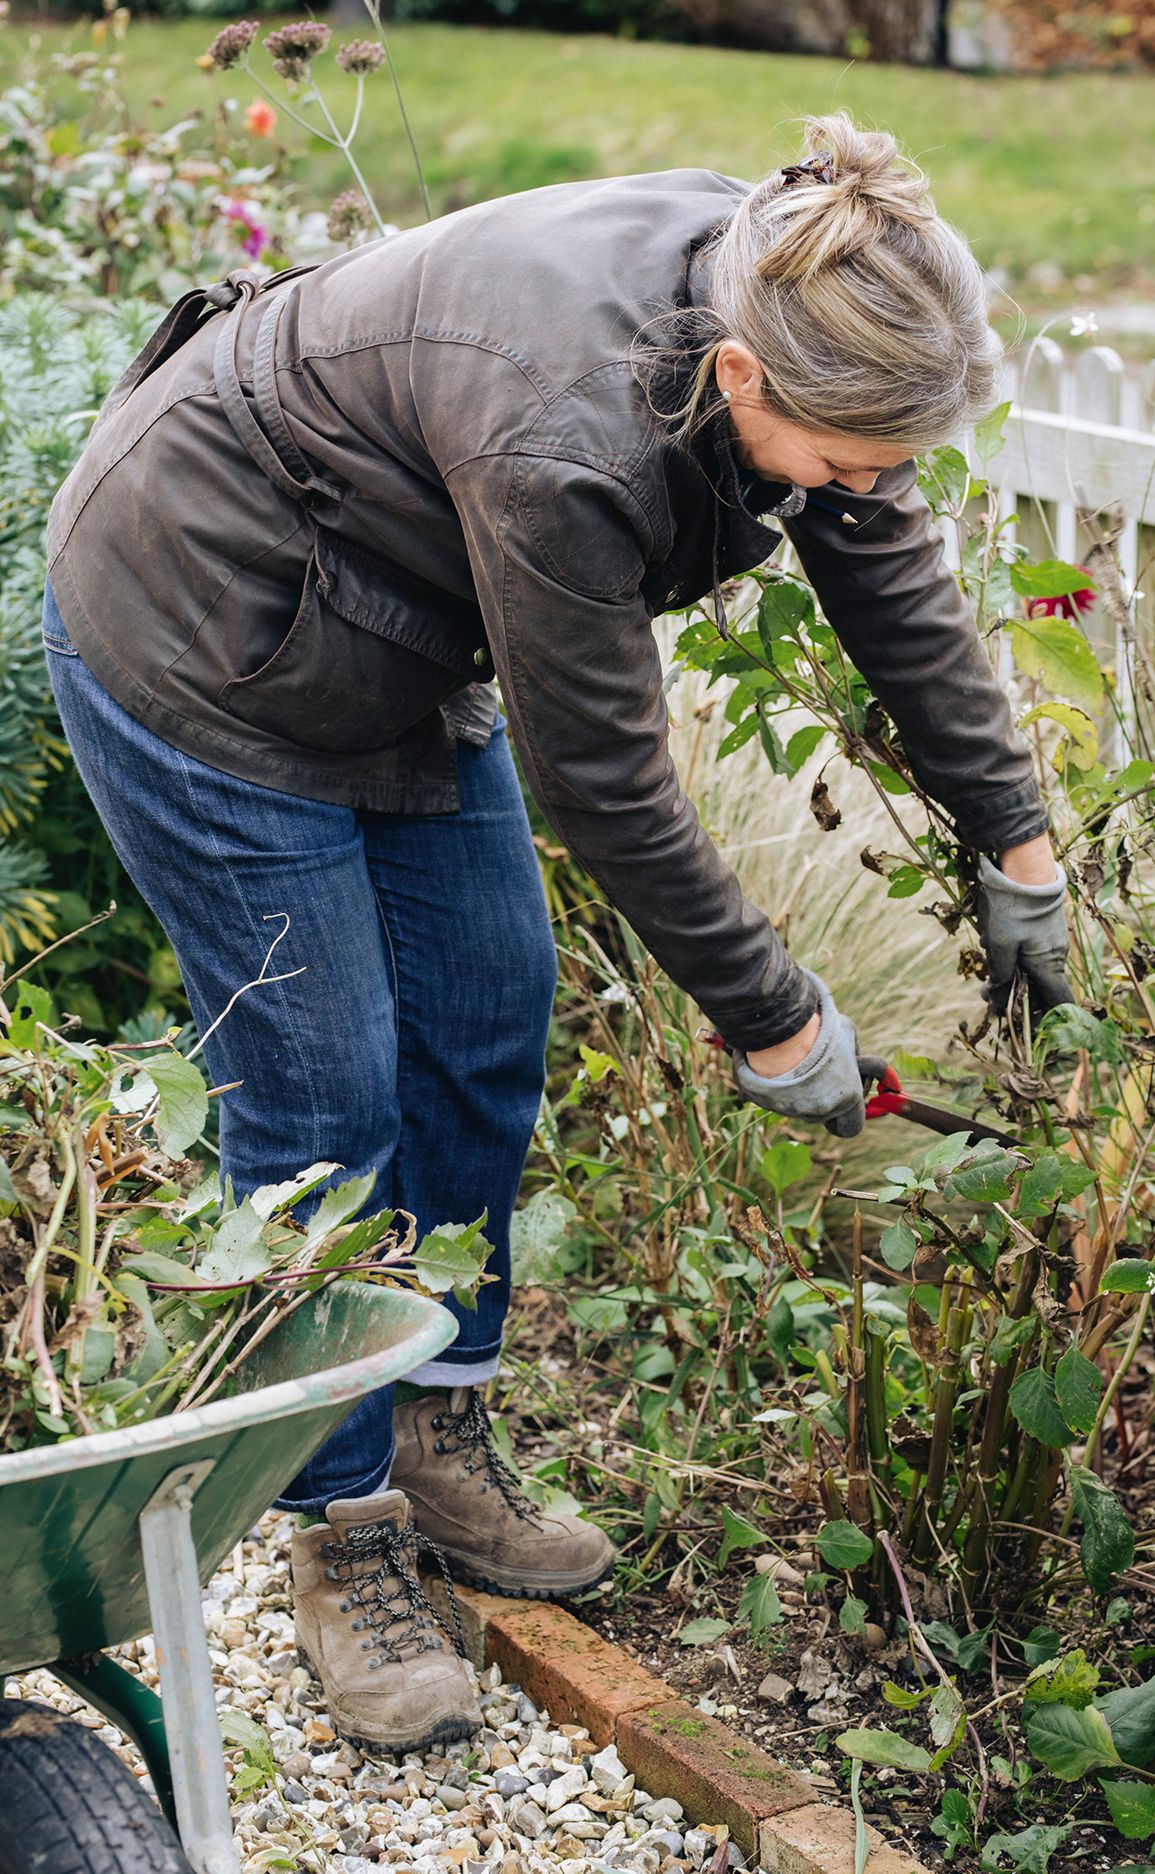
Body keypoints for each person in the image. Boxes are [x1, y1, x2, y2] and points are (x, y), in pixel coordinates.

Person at [42, 111, 1072, 1751]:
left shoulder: (799, 292)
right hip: (200, 636)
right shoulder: (566, 425)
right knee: (325, 1101)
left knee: (489, 1008)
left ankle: (437, 1427)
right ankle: (342, 1521)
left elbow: (884, 567)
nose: (871, 488)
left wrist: (1016, 842)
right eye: (851, 453)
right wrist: (778, 1018)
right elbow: (602, 783)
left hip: (384, 630)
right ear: (740, 380)